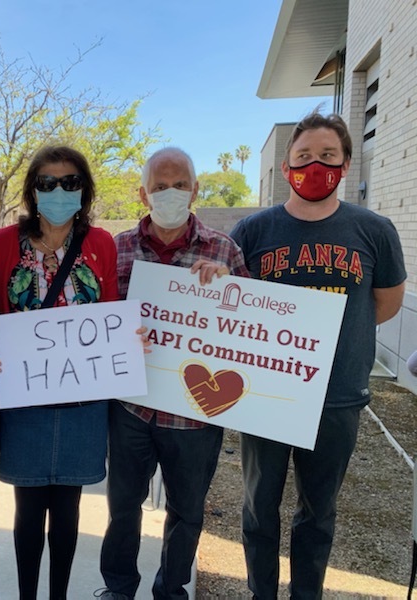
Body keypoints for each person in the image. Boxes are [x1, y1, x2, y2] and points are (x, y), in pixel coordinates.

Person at [230, 111, 406, 599]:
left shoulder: (374, 229)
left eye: (327, 156)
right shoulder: (253, 230)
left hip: (338, 395)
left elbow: (385, 304)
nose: (315, 166)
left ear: (345, 164)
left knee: (319, 511)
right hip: (266, 394)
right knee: (258, 507)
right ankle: (261, 593)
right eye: (304, 156)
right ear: (287, 166)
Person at [97, 147, 249, 600]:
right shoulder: (117, 247)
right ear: (143, 193)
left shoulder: (225, 249)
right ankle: (119, 589)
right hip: (131, 407)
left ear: (196, 190)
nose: (170, 194)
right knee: (123, 506)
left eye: (180, 184)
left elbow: (251, 329)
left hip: (195, 415)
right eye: (160, 186)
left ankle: (171, 589)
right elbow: (97, 319)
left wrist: (229, 288)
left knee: (187, 511)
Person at [0, 145, 122, 600]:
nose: (58, 191)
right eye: (47, 183)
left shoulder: (101, 243)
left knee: (68, 510)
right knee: (27, 510)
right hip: (26, 401)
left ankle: (58, 595)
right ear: (32, 191)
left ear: (83, 190)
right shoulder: (2, 243)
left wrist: (126, 341)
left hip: (83, 402)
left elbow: (110, 313)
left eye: (69, 182)